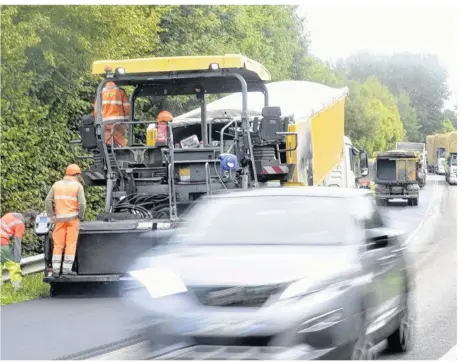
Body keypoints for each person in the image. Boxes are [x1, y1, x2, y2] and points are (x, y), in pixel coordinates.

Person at [45, 164, 86, 277]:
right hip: (73, 220)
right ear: (77, 174)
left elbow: (48, 200)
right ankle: (67, 270)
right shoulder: (78, 186)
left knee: (58, 245)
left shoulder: (56, 185)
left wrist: (51, 215)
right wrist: (81, 216)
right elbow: (82, 203)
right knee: (70, 244)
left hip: (59, 220)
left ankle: (56, 270)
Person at [0, 210, 38, 291]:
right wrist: (17, 260)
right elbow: (17, 243)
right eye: (31, 221)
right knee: (13, 266)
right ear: (28, 218)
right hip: (2, 242)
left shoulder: (10, 215)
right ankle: (18, 289)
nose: (28, 224)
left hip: (2, 241)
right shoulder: (20, 224)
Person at [93, 81, 130, 147]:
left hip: (105, 122)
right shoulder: (120, 91)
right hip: (118, 122)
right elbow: (126, 108)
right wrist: (127, 121)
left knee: (108, 144)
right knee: (120, 142)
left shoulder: (101, 92)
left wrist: (97, 121)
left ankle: (110, 154)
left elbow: (96, 110)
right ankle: (121, 154)